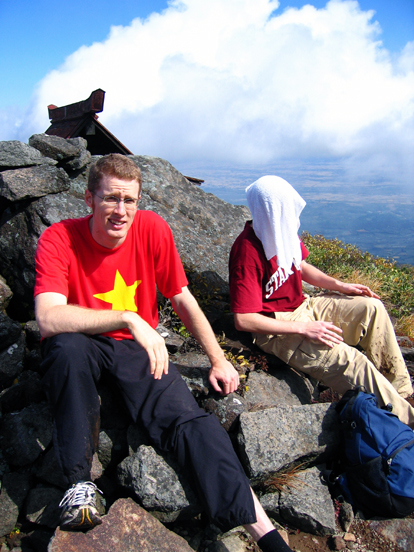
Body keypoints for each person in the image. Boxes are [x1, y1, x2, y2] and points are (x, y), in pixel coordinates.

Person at [34, 154, 292, 552]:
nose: (121, 210)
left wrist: (217, 359)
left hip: (137, 350)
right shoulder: (59, 238)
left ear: (138, 201)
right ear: (89, 199)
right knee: (64, 347)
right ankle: (79, 485)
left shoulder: (152, 228)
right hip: (84, 342)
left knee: (191, 423)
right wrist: (129, 318)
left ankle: (267, 537)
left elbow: (181, 297)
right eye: (111, 198)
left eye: (129, 200)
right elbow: (48, 318)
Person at [229, 175, 414, 427]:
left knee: (371, 308)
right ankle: (406, 422)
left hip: (304, 305)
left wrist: (340, 286)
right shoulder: (246, 252)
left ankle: (402, 393)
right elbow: (244, 319)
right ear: (272, 210)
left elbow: (301, 266)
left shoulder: (280, 228)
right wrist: (304, 328)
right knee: (352, 362)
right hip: (278, 327)